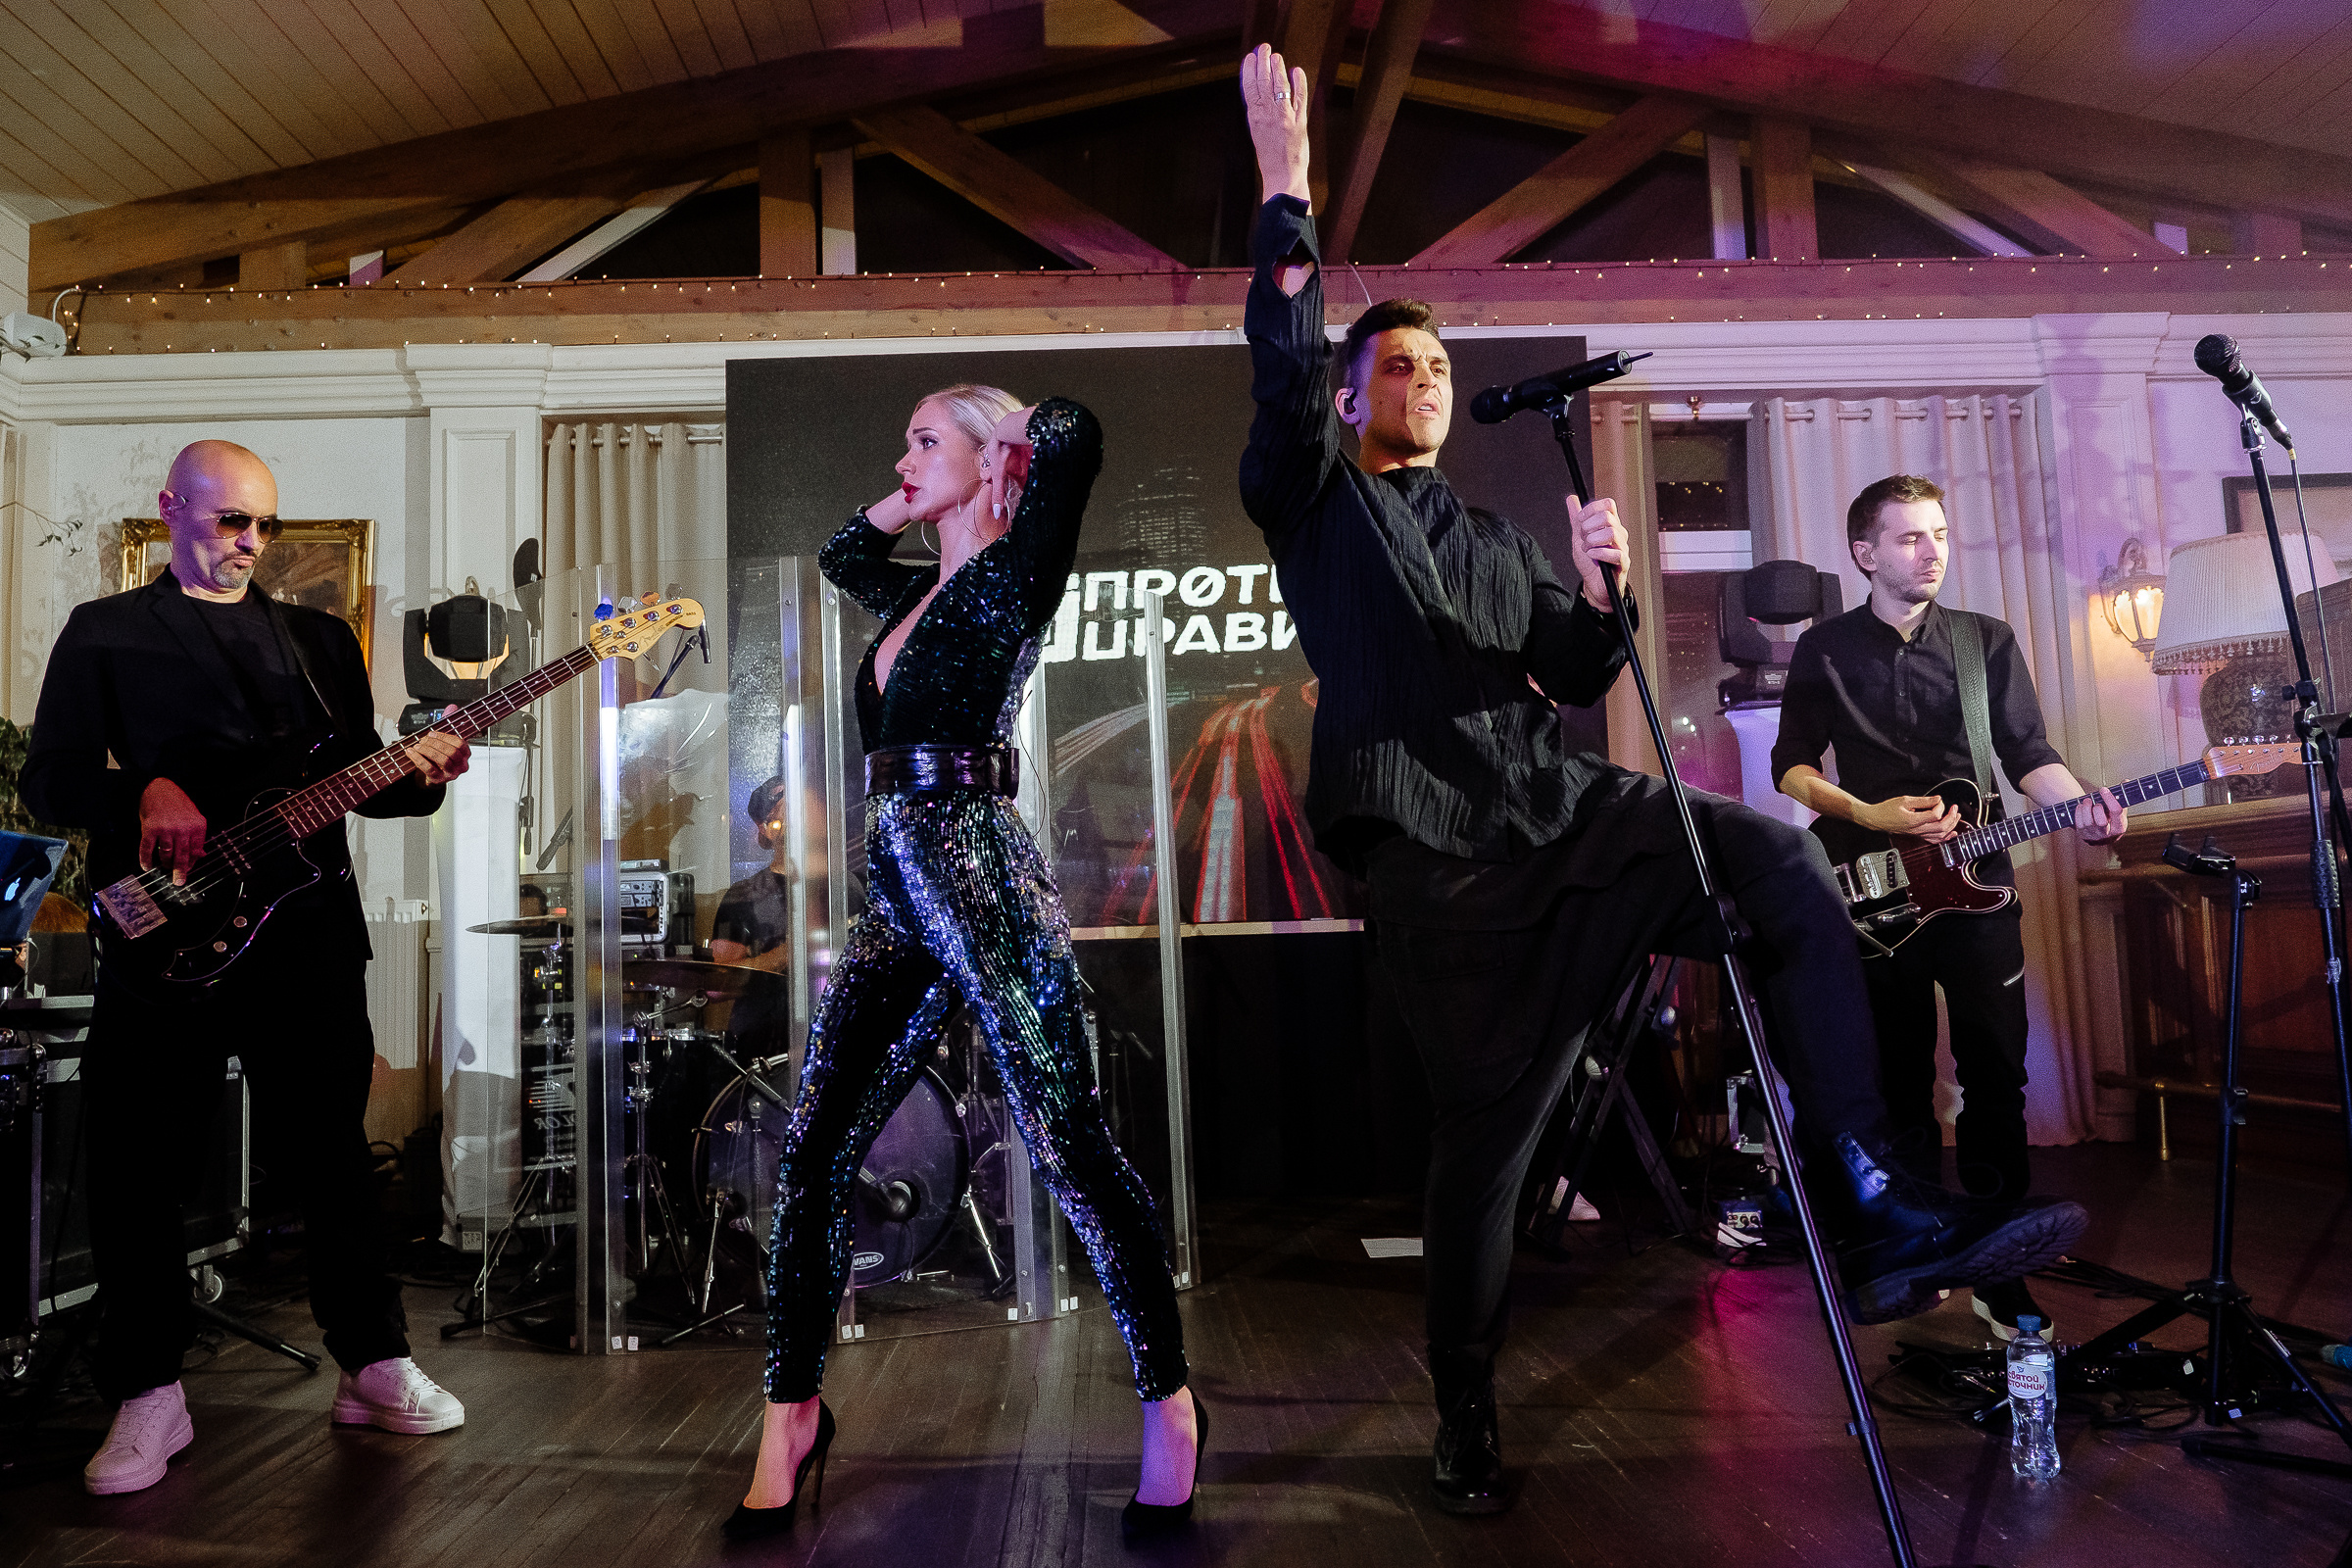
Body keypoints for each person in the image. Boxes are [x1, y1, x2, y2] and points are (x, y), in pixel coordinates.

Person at [1235, 44, 2086, 1516]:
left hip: (1563, 815)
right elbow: (1281, 357)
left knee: (1779, 864)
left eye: (1442, 370)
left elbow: (1574, 672)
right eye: (1400, 369)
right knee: (1488, 1154)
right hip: (1440, 860)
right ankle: (1464, 1405)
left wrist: (1607, 590)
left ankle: (1874, 1201)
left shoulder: (1490, 541)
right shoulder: (1311, 500)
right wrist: (1286, 186)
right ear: (1350, 395)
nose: (1428, 386)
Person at [728, 387, 1201, 1544]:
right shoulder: (912, 592)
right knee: (817, 1144)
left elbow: (1081, 431)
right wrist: (920, 486)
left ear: (992, 459)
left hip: (979, 868)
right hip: (895, 877)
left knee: (1064, 1134)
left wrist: (1010, 457)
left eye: (922, 440)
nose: (902, 457)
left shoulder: (1013, 576)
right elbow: (849, 549)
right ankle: (791, 1409)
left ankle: (1170, 1397)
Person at [22, 440, 473, 1496]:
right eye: (232, 523)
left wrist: (427, 771)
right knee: (137, 1165)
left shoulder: (318, 639)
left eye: (266, 526)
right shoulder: (108, 632)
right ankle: (147, 1393)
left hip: (307, 930)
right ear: (174, 509)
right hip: (163, 931)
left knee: (330, 1154)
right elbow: (49, 776)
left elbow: (363, 779)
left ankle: (370, 1361)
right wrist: (142, 793)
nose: (251, 544)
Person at [1773, 474, 2125, 1342]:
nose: (1931, 551)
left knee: (1995, 1077)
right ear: (1865, 553)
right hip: (1872, 888)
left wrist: (2077, 801)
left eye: (1938, 535)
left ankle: (1999, 1267)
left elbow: (2027, 751)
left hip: (1977, 887)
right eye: (1909, 539)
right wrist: (1869, 814)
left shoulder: (1985, 641)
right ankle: (1916, 1251)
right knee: (1896, 1085)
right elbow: (1791, 766)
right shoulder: (1824, 649)